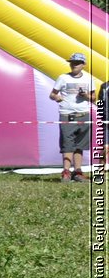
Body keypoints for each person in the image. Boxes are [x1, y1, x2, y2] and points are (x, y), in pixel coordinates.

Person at [51, 52, 95, 183]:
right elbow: (52, 94)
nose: (73, 65)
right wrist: (56, 97)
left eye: (76, 63)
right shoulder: (63, 78)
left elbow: (93, 98)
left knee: (79, 145)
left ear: (83, 65)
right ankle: (66, 172)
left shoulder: (89, 79)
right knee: (67, 145)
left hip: (84, 115)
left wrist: (86, 96)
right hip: (67, 114)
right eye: (72, 62)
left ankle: (78, 172)